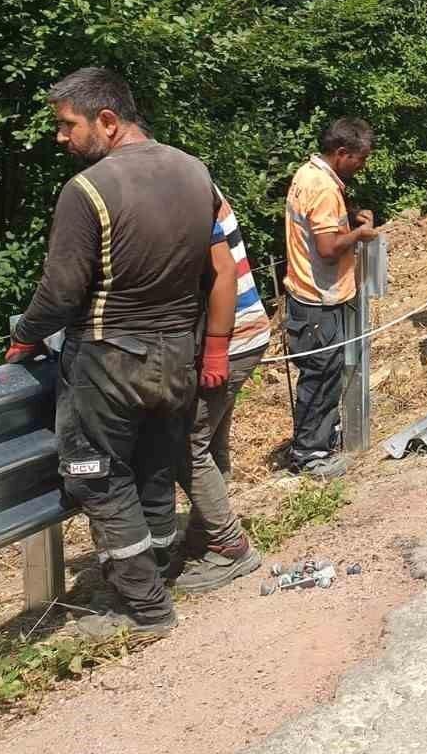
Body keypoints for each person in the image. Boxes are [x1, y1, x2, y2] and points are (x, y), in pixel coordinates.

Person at [6, 67, 219, 637]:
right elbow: (210, 272)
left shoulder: (87, 190)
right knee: (152, 467)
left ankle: (141, 608)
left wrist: (25, 335)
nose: (60, 138)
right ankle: (159, 575)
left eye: (66, 125)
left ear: (107, 120)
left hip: (108, 357)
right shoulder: (196, 172)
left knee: (95, 476)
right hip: (178, 352)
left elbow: (60, 292)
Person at [169, 190, 271, 592]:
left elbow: (220, 270)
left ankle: (230, 547)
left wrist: (214, 348)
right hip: (243, 331)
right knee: (211, 442)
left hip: (231, 335)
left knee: (187, 444)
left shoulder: (180, 188)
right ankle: (203, 538)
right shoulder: (188, 178)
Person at [283, 117, 378, 478]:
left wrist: (350, 218)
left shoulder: (308, 174)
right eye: (360, 158)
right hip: (316, 298)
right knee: (321, 375)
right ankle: (310, 455)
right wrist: (360, 235)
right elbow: (326, 248)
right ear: (342, 153)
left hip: (308, 294)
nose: (363, 165)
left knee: (325, 372)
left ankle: (322, 438)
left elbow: (317, 224)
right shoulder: (323, 187)